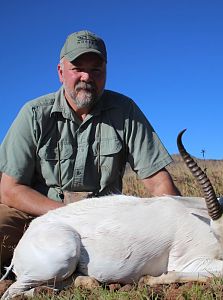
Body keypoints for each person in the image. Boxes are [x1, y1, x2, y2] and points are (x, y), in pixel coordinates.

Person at [0, 30, 180, 267]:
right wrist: (66, 215)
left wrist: (182, 222)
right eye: (77, 68)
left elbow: (158, 182)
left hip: (103, 224)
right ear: (60, 72)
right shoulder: (34, 114)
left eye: (96, 69)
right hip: (35, 216)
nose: (87, 76)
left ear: (105, 73)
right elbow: (10, 190)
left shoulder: (125, 111)